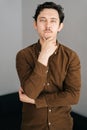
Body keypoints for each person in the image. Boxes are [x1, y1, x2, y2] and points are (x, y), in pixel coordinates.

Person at [16, 2, 81, 130]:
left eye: (53, 21)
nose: (47, 25)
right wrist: (43, 56)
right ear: (35, 24)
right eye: (42, 20)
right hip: (32, 126)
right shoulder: (23, 55)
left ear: (60, 26)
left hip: (62, 125)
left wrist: (36, 101)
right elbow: (31, 92)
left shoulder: (71, 56)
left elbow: (73, 96)